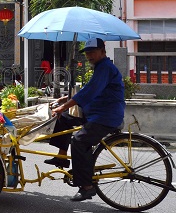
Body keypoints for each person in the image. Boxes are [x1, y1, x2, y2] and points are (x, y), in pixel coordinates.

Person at [44, 38, 125, 202]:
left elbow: (90, 92)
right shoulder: (100, 68)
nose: (89, 56)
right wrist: (65, 100)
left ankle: (87, 187)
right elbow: (90, 89)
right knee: (64, 119)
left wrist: (64, 106)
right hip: (94, 113)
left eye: (92, 52)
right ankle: (61, 156)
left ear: (103, 51)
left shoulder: (105, 68)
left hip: (105, 116)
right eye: (87, 52)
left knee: (79, 141)